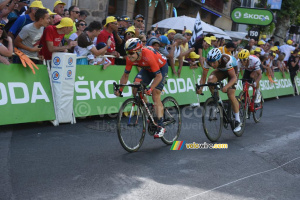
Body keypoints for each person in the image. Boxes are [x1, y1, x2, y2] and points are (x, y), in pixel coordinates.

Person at [114, 38, 168, 138]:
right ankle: (149, 107)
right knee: (135, 88)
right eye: (127, 53)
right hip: (147, 69)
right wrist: (120, 90)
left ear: (138, 51)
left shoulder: (148, 55)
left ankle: (161, 126)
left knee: (155, 93)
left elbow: (158, 76)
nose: (129, 56)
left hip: (161, 68)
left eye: (131, 53)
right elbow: (125, 75)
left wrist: (150, 88)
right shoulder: (130, 58)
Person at [196, 48, 242, 132]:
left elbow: (233, 78)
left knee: (230, 94)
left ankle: (238, 120)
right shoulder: (207, 61)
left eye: (214, 62)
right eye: (211, 62)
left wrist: (226, 87)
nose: (212, 65)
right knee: (210, 81)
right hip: (221, 70)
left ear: (219, 59)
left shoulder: (226, 60)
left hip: (232, 72)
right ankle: (218, 101)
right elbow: (203, 78)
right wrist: (200, 88)